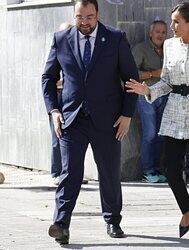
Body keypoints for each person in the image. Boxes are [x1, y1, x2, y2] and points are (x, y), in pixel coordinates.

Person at [126, 2, 189, 247]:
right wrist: (147, 89)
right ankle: (186, 207)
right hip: (174, 114)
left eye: (176, 22)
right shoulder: (170, 46)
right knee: (170, 170)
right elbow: (167, 82)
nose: (171, 27)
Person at [42, 0, 139, 245]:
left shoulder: (115, 38)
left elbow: (131, 79)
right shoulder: (60, 38)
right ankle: (61, 223)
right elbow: (48, 78)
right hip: (71, 119)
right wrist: (53, 110)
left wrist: (127, 115)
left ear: (98, 14)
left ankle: (113, 220)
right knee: (69, 173)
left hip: (109, 120)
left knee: (108, 172)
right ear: (73, 15)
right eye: (79, 17)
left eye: (89, 17)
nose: (84, 22)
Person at [132, 20, 168, 183]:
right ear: (150, 33)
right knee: (150, 134)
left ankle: (156, 169)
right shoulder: (141, 49)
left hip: (165, 95)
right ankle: (147, 171)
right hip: (146, 96)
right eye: (157, 32)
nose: (160, 35)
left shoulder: (169, 49)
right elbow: (130, 73)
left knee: (161, 135)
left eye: (163, 32)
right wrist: (153, 73)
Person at [49, 22, 71, 185]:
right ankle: (57, 172)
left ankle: (69, 170)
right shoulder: (57, 49)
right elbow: (49, 78)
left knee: (72, 136)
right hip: (58, 96)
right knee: (57, 134)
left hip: (71, 98)